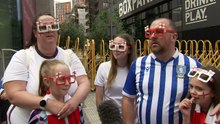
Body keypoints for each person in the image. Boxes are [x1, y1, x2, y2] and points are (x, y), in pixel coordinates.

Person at [2, 13, 90, 123]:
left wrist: (73, 103)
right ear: (35, 32)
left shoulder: (69, 55)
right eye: (43, 28)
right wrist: (47, 103)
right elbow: (13, 95)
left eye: (53, 26)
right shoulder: (22, 57)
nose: (49, 31)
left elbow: (84, 83)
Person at [122, 18, 202, 124]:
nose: (153, 36)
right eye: (150, 33)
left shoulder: (192, 65)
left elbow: (211, 92)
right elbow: (128, 98)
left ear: (174, 37)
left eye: (159, 32)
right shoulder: (138, 64)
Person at [29, 59, 80, 124]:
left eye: (69, 78)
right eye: (61, 79)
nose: (67, 83)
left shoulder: (76, 106)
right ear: (47, 82)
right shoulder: (40, 115)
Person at [94, 34, 135, 113]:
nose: (116, 50)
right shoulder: (103, 67)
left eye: (120, 47)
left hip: (131, 117)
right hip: (111, 117)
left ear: (129, 50)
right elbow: (99, 99)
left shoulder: (136, 69)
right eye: (113, 46)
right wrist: (105, 118)